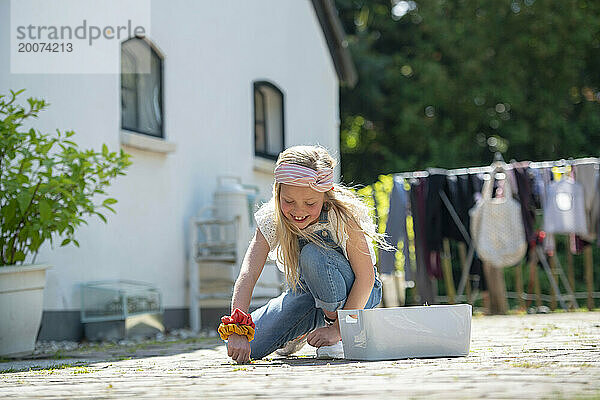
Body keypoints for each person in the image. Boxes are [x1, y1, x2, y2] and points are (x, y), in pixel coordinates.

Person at [225, 145, 386, 363]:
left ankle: (338, 334)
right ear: (278, 193)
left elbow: (366, 279)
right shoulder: (272, 219)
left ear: (325, 198)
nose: (298, 211)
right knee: (249, 347)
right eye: (289, 201)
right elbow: (248, 273)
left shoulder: (342, 216)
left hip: (359, 296)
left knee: (313, 254)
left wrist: (338, 329)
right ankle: (303, 330)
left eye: (310, 203)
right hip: (309, 294)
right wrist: (237, 328)